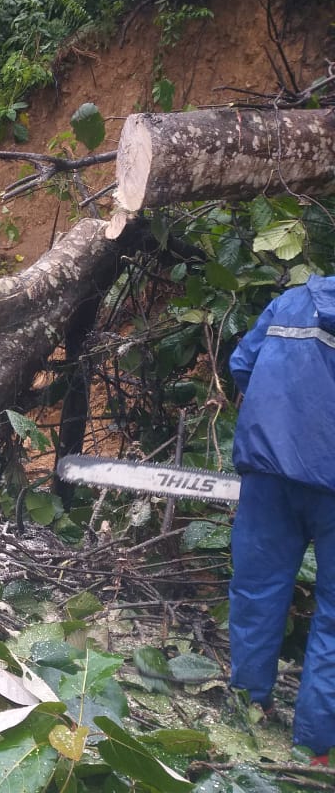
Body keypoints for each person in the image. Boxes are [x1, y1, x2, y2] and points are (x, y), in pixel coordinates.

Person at [229, 275, 335, 766]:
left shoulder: (293, 300)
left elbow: (242, 364)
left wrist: (284, 419)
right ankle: (315, 746)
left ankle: (248, 704)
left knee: (256, 589)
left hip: (269, 469)